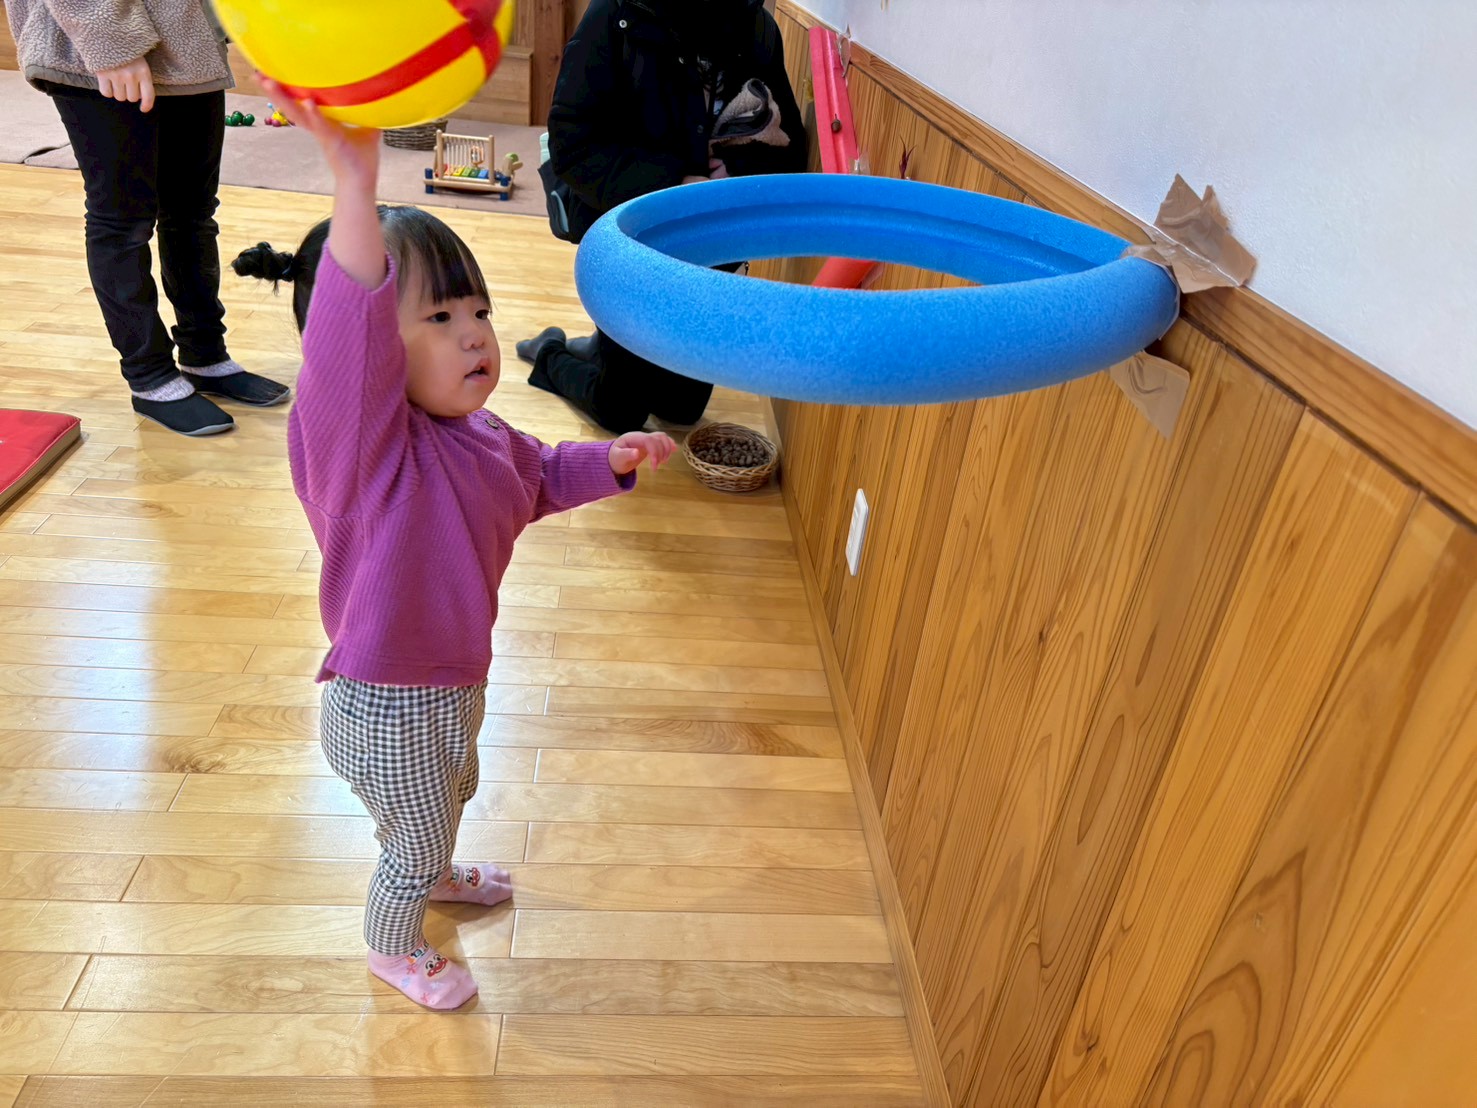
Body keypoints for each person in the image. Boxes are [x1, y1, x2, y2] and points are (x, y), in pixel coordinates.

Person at [232, 82, 676, 1009]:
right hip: (386, 700)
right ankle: (393, 946)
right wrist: (354, 186)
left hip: (451, 682)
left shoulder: (483, 434)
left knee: (455, 788)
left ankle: (432, 867)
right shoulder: (361, 447)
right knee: (416, 836)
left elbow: (539, 474)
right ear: (376, 354)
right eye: (437, 319)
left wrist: (612, 461)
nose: (473, 335)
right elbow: (346, 340)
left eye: (476, 311)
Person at [518, 0, 808, 434]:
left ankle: (604, 347)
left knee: (681, 408)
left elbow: (789, 149)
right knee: (620, 412)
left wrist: (734, 173)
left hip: (709, 247)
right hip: (629, 238)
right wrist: (676, 182)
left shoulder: (756, 27)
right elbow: (573, 146)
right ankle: (550, 352)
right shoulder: (614, 15)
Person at [6, 0, 289, 435]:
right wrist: (112, 42)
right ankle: (150, 375)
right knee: (123, 222)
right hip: (98, 45)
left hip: (188, 41)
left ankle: (205, 355)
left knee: (192, 214)